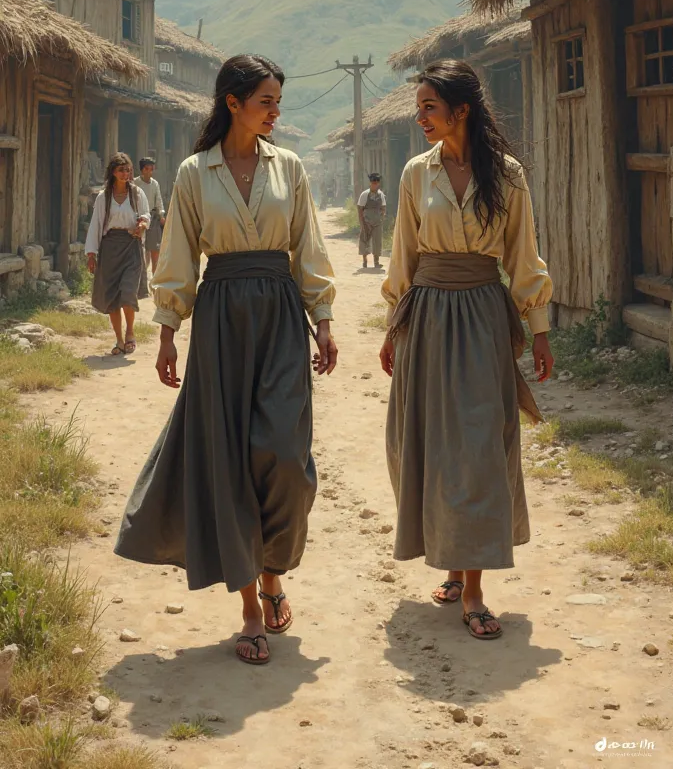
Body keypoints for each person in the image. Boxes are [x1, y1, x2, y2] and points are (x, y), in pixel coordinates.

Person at [115, 54, 338, 667]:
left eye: (277, 102)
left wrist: (322, 320)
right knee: (231, 459)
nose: (275, 111)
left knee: (285, 457)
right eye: (266, 101)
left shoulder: (288, 167)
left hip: (279, 316)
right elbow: (180, 256)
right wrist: (166, 330)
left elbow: (308, 248)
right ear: (233, 103)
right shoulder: (193, 173)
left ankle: (274, 571)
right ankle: (249, 605)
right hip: (220, 319)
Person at [379, 59, 553, 641]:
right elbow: (402, 256)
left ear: (462, 110)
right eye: (420, 105)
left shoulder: (507, 175)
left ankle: (473, 589)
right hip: (426, 316)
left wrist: (541, 329)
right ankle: (455, 564)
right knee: (428, 445)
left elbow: (524, 259)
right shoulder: (413, 174)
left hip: (481, 316)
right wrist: (390, 327)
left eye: (430, 106)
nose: (420, 115)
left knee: (479, 445)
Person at [85, 153, 150, 356]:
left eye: (128, 170)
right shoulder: (103, 197)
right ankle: (119, 340)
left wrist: (142, 224)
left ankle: (130, 333)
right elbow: (96, 225)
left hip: (131, 246)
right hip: (110, 248)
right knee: (112, 295)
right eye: (121, 170)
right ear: (113, 172)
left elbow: (146, 214)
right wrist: (91, 254)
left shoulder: (137, 193)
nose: (125, 173)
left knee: (128, 292)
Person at [134, 157, 166, 274]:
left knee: (154, 249)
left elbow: (158, 200)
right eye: (147, 169)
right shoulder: (135, 183)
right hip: (139, 217)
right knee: (142, 249)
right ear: (142, 170)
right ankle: (142, 277)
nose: (149, 172)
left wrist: (161, 215)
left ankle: (155, 281)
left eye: (151, 169)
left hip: (152, 217)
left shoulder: (155, 184)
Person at [357, 173, 386, 270]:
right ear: (370, 183)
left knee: (377, 241)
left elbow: (383, 207)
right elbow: (360, 208)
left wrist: (382, 216)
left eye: (377, 183)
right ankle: (365, 261)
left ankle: (376, 262)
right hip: (367, 221)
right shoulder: (364, 194)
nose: (376, 184)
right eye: (374, 182)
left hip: (377, 221)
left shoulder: (381, 194)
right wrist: (362, 222)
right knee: (365, 240)